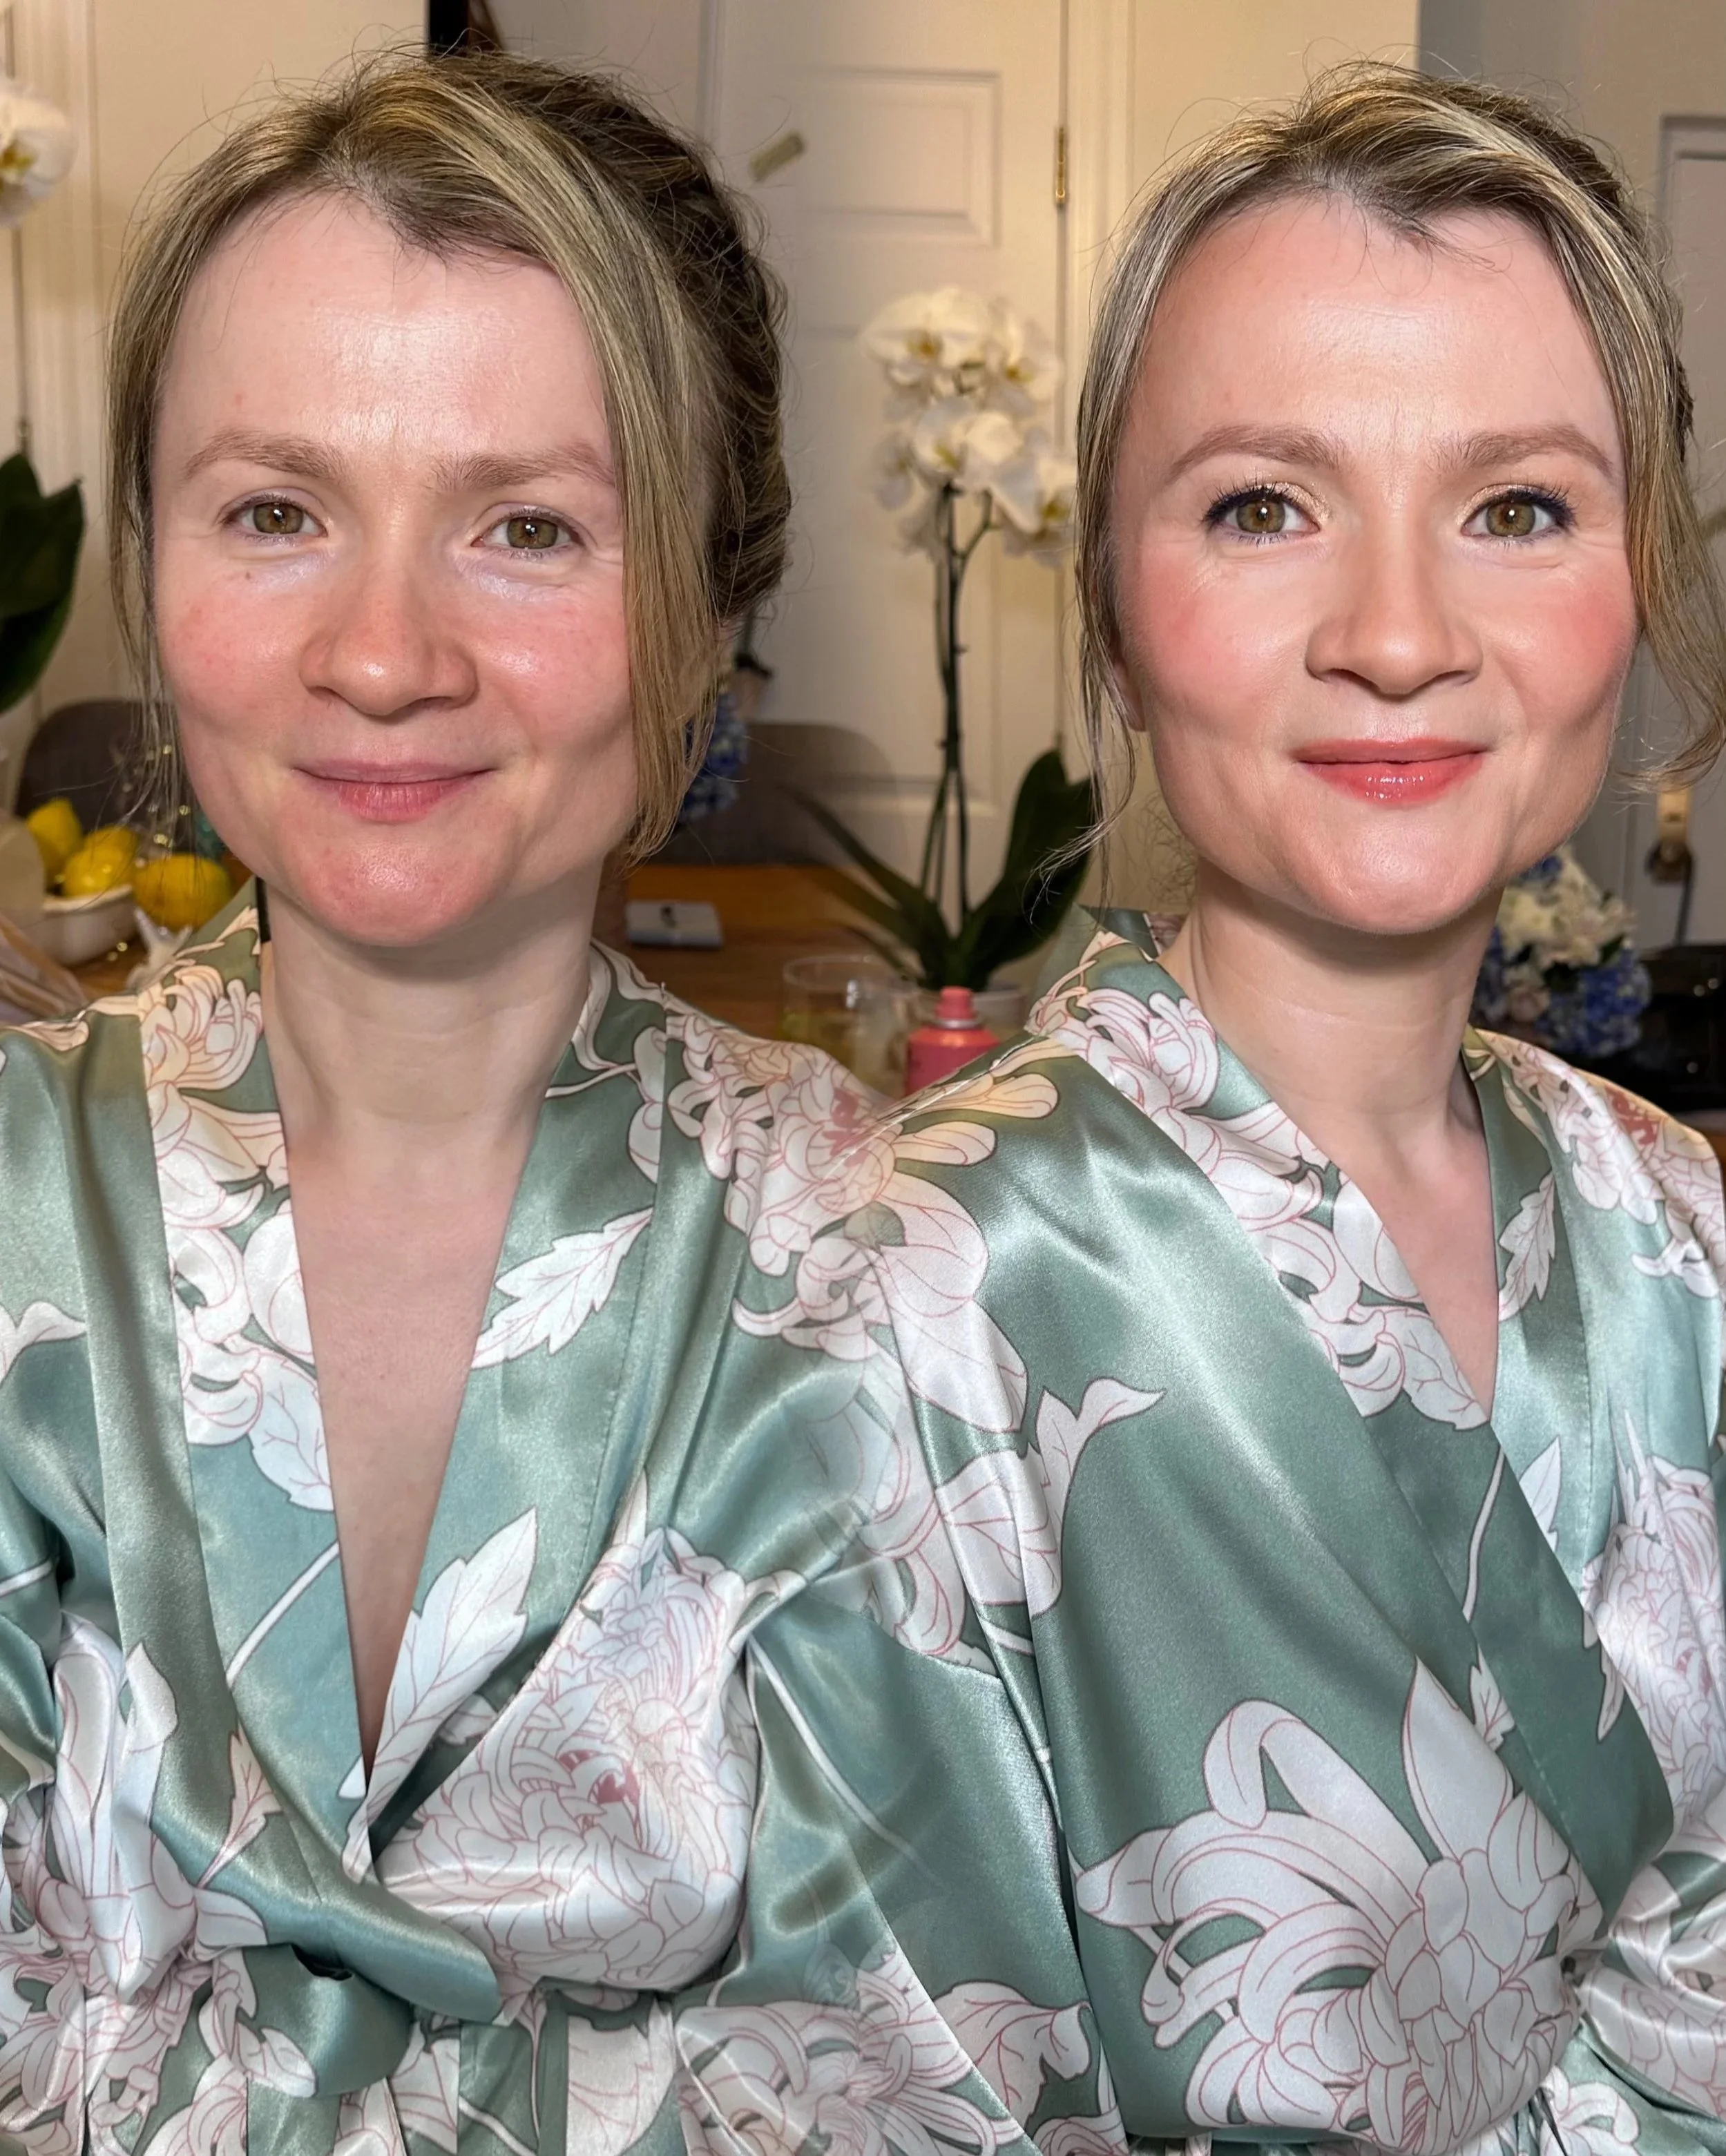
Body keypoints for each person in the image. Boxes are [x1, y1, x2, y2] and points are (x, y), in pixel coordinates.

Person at [680, 64, 1726, 2156]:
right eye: (1265, 504)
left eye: (1517, 505)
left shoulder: (1676, 1225)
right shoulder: (891, 1316)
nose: (1400, 634)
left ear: (1645, 586)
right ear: (1119, 620)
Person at [0, 50, 881, 2153]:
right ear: (152, 556)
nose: (383, 653)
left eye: (527, 527)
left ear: (708, 605)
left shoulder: (915, 1271)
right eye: (279, 512)